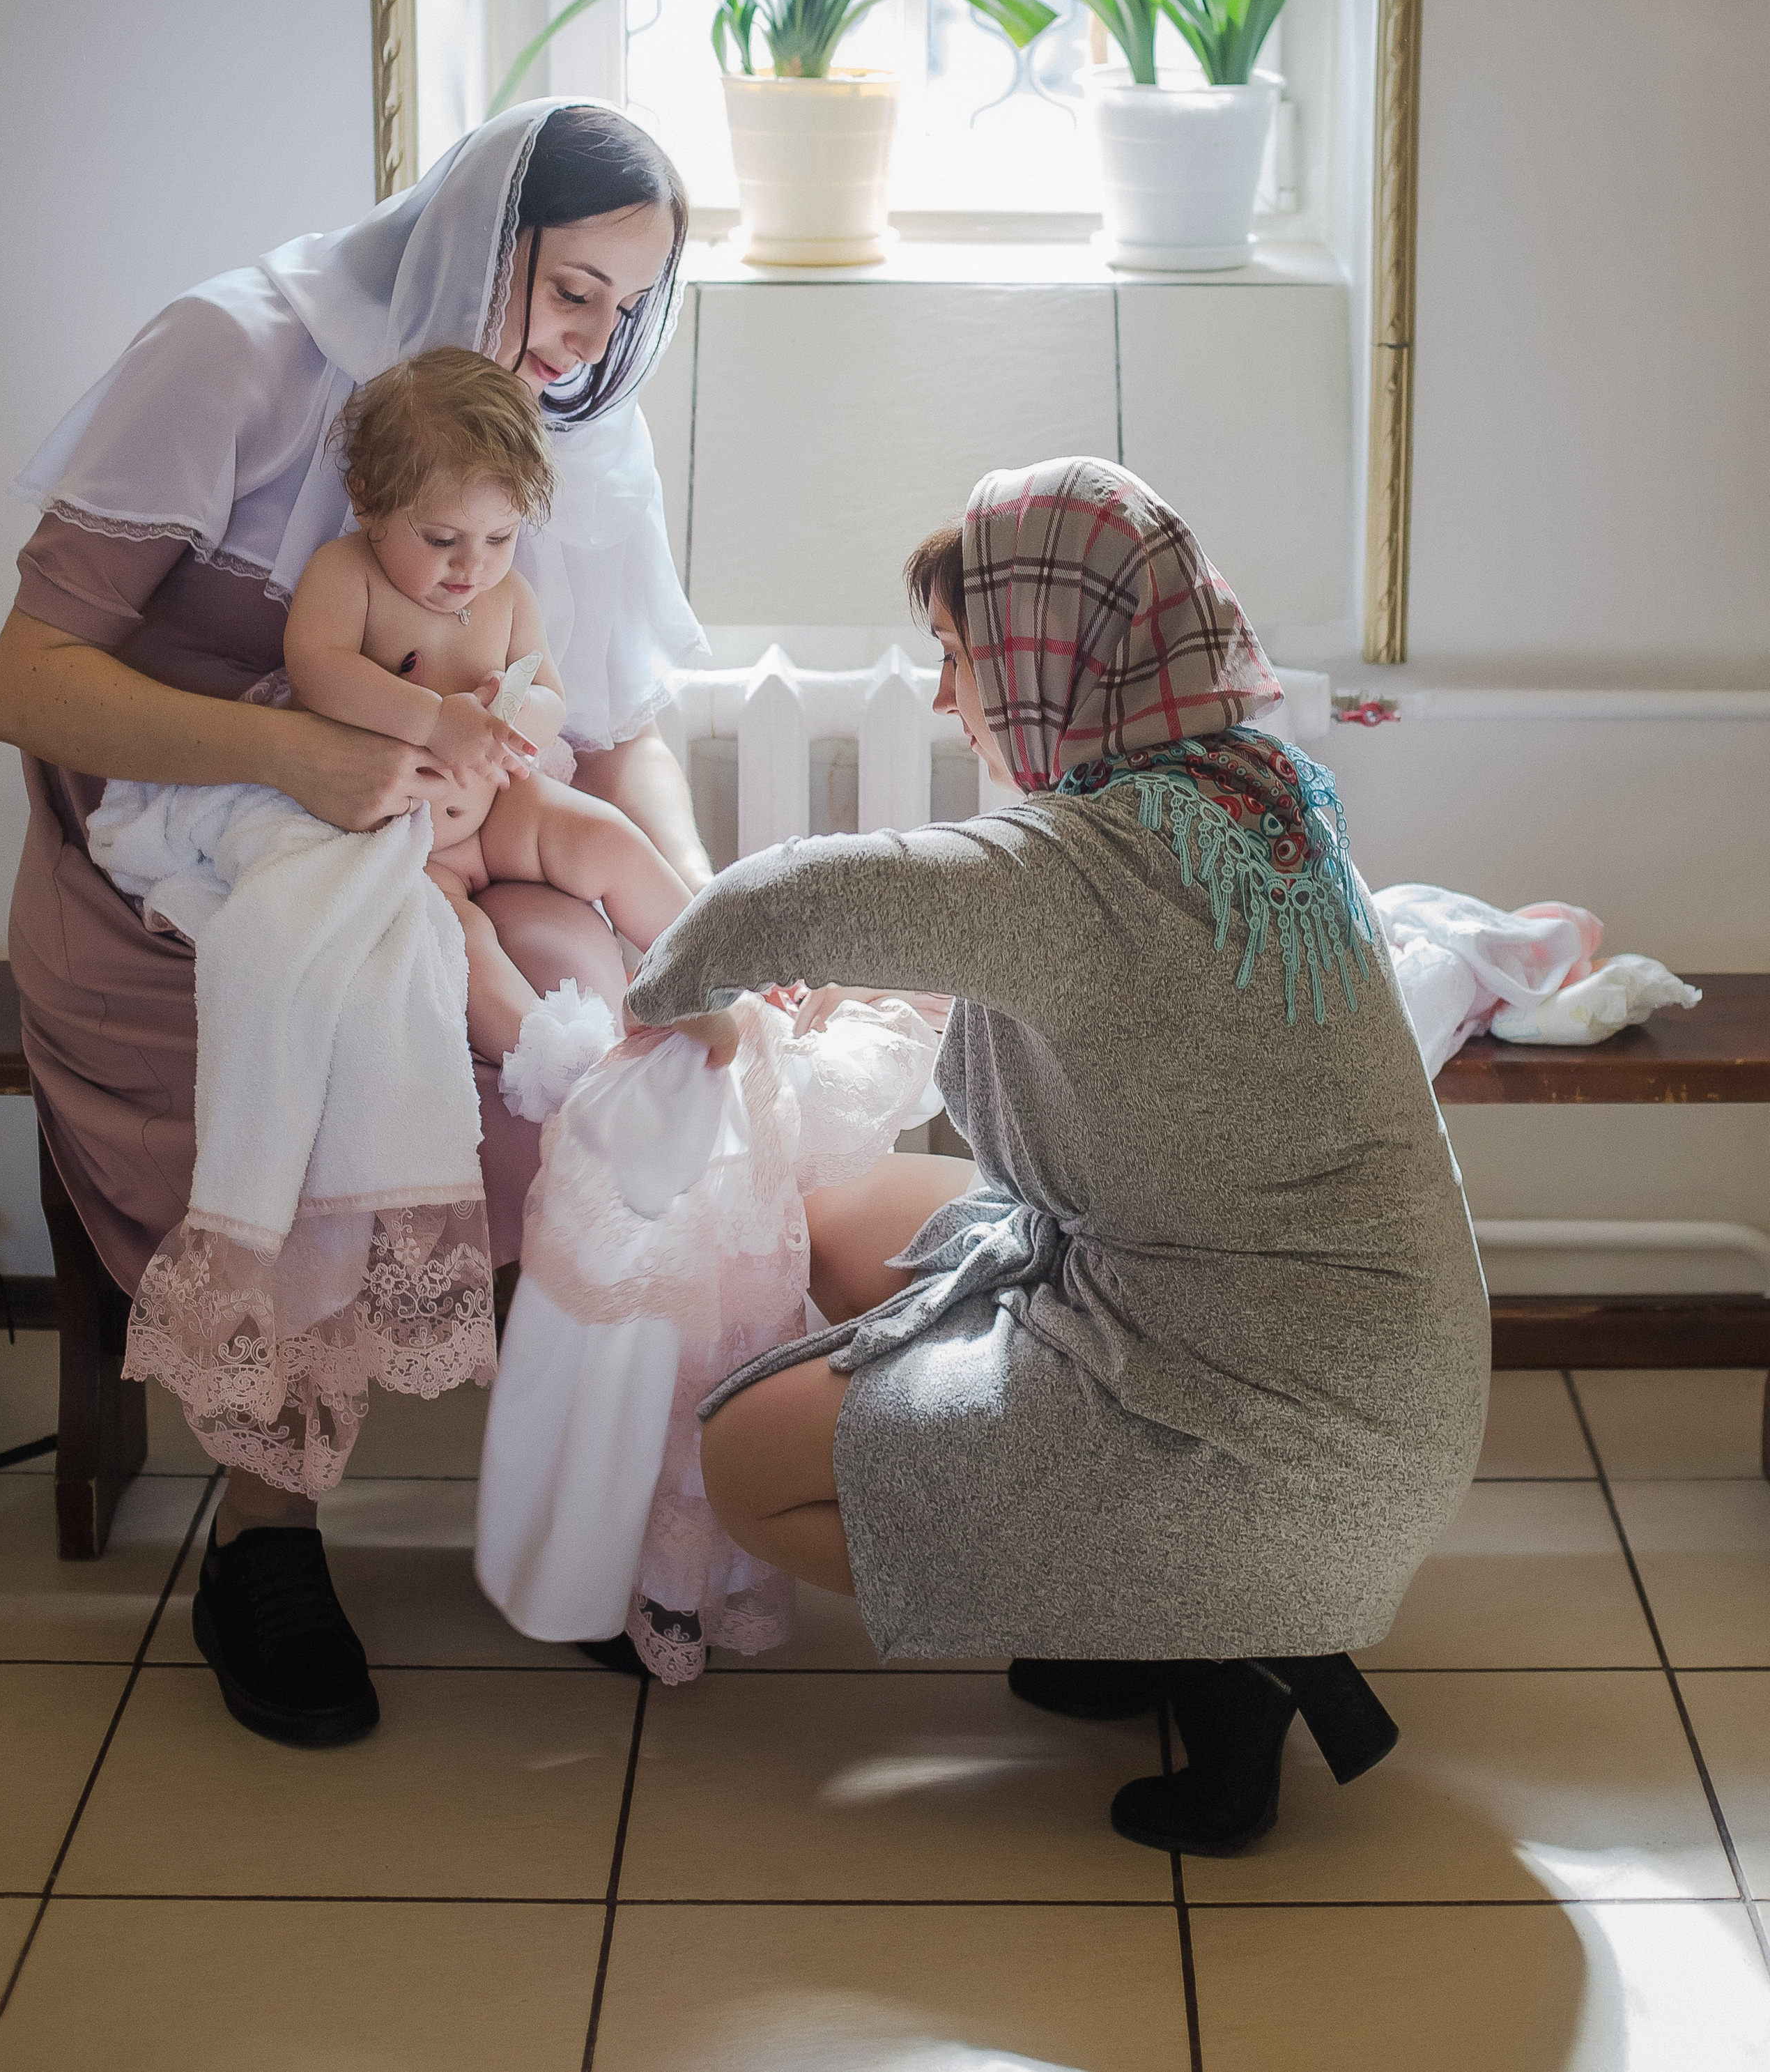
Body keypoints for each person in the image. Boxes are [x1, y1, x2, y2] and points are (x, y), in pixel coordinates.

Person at [623, 456, 1490, 1856]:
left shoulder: (1089, 864)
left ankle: (1227, 1641)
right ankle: (1131, 1611)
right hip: (1357, 1372)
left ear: (1049, 657)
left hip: (1270, 1432)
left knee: (744, 1464)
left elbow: (781, 898)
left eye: (955, 655)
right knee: (837, 1216)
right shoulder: (1256, 792)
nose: (941, 696)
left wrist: (647, 1004)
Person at [0, 98, 713, 1749]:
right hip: (187, 840)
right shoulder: (237, 353)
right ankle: (266, 1527)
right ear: (480, 236)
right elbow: (23, 679)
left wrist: (699, 913)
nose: (588, 340)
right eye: (569, 288)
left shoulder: (572, 427)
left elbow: (618, 726)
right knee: (311, 1013)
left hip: (439, 824)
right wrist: (302, 756)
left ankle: (575, 1502)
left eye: (626, 306)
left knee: (591, 1016)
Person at [286, 347, 693, 1064]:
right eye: (442, 539)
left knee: (609, 839)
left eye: (500, 538)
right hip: (410, 840)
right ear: (367, 499)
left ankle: (716, 965)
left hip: (500, 807)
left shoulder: (506, 596)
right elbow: (318, 670)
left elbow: (548, 694)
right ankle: (557, 1059)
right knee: (454, 941)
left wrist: (515, 712)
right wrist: (434, 719)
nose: (471, 565)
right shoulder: (349, 576)